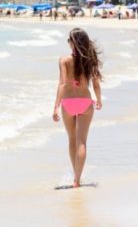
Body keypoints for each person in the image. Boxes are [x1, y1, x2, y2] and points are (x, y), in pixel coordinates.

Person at [53, 28, 104, 188]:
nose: (68, 42)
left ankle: (76, 176)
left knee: (72, 140)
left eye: (69, 39)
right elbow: (96, 83)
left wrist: (55, 106)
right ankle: (76, 179)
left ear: (73, 42)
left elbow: (62, 83)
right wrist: (99, 99)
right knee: (82, 141)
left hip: (68, 103)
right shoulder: (90, 60)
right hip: (85, 102)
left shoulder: (64, 60)